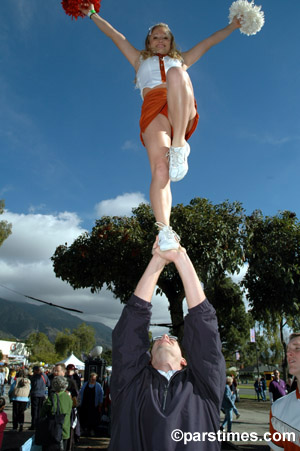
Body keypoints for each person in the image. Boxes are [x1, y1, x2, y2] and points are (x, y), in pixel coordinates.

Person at [79, 2, 242, 250]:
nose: (160, 40)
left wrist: (234, 25)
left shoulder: (182, 59)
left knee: (177, 74)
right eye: (155, 37)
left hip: (180, 105)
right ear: (148, 41)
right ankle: (165, 231)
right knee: (160, 170)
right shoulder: (138, 60)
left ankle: (179, 145)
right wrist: (92, 14)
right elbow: (115, 35)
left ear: (171, 41)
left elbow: (209, 41)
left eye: (165, 37)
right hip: (153, 109)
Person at [109, 237, 225, 450]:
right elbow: (129, 333)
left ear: (184, 359)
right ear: (148, 359)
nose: (164, 337)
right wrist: (156, 261)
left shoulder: (204, 387)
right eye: (158, 340)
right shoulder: (129, 386)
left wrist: (181, 257)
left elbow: (205, 331)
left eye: (172, 338)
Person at [269, 333, 300, 450]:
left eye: (297, 348)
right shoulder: (278, 409)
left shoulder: (282, 381)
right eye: (288, 350)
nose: (289, 354)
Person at [41, 376, 73, 451]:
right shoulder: (68, 397)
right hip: (65, 430)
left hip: (53, 430)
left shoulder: (53, 398)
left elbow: (42, 413)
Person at [29, 365, 50, 430]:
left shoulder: (34, 377)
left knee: (34, 411)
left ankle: (34, 425)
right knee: (40, 410)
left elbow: (32, 385)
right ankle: (39, 424)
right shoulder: (44, 376)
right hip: (42, 395)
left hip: (35, 395)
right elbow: (48, 384)